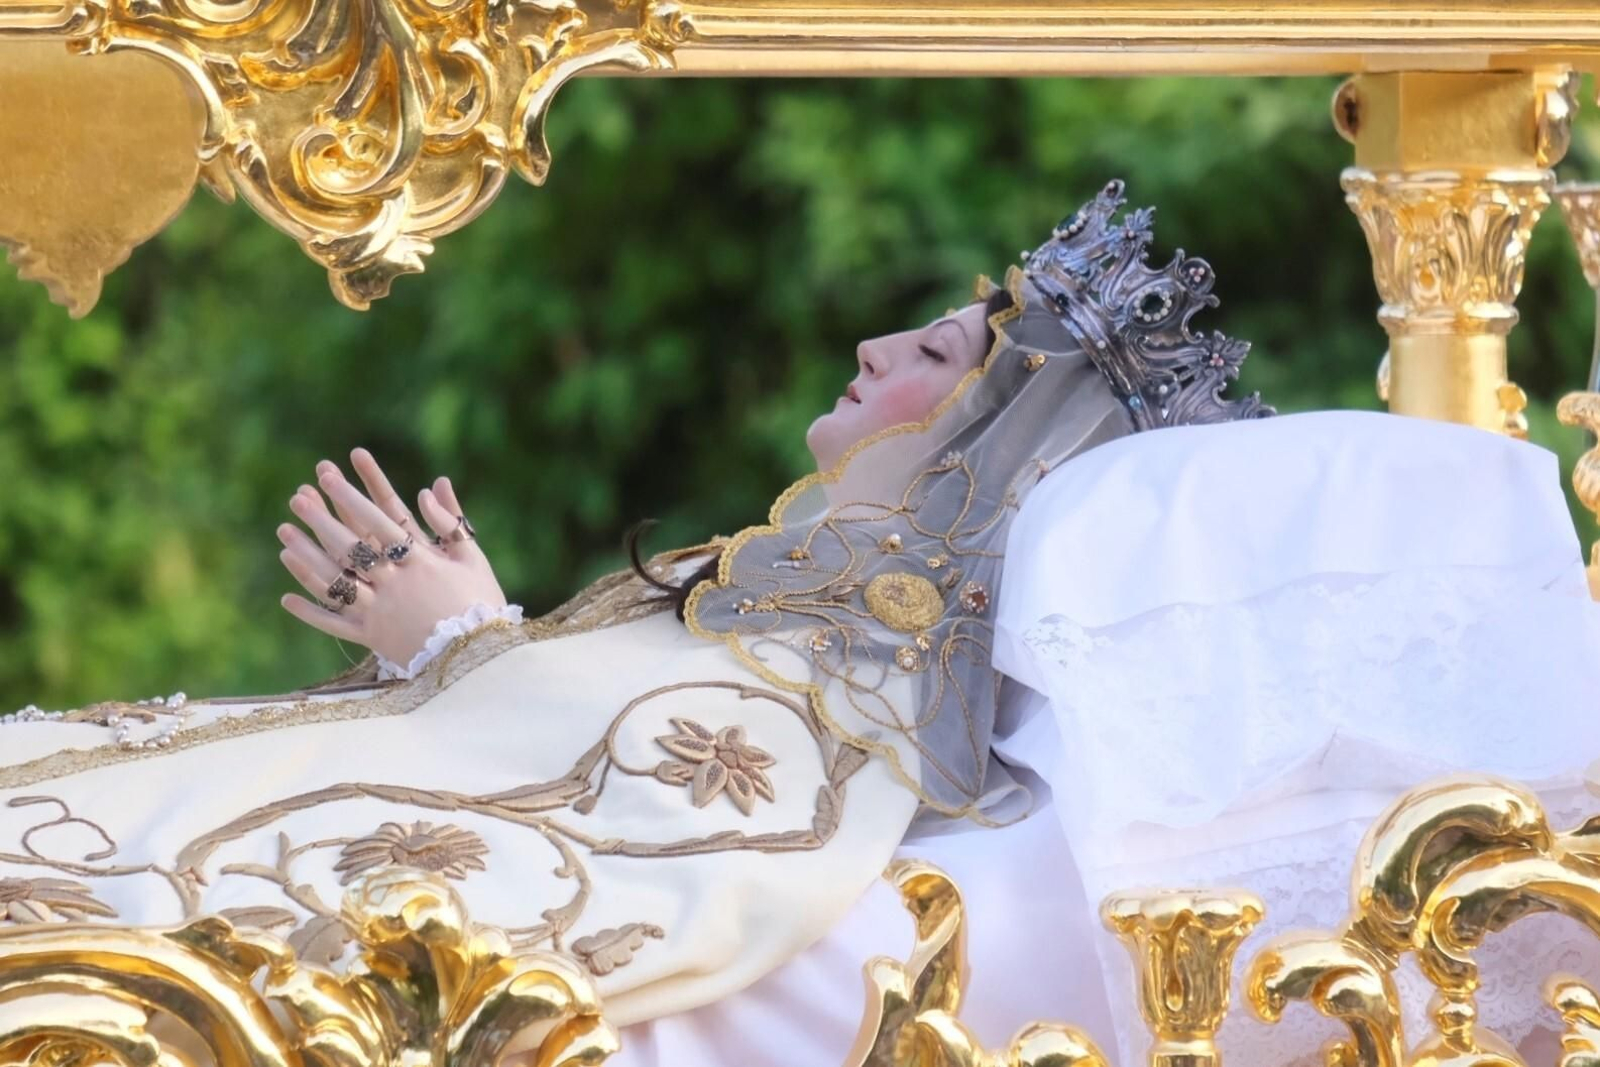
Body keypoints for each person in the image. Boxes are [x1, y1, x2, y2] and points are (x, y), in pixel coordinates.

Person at [4, 181, 1599, 1067]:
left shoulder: (898, 634)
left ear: (1014, 436)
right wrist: (461, 661)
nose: (874, 341)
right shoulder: (805, 584)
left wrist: (469, 654)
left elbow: (710, 811)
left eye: (953, 347)